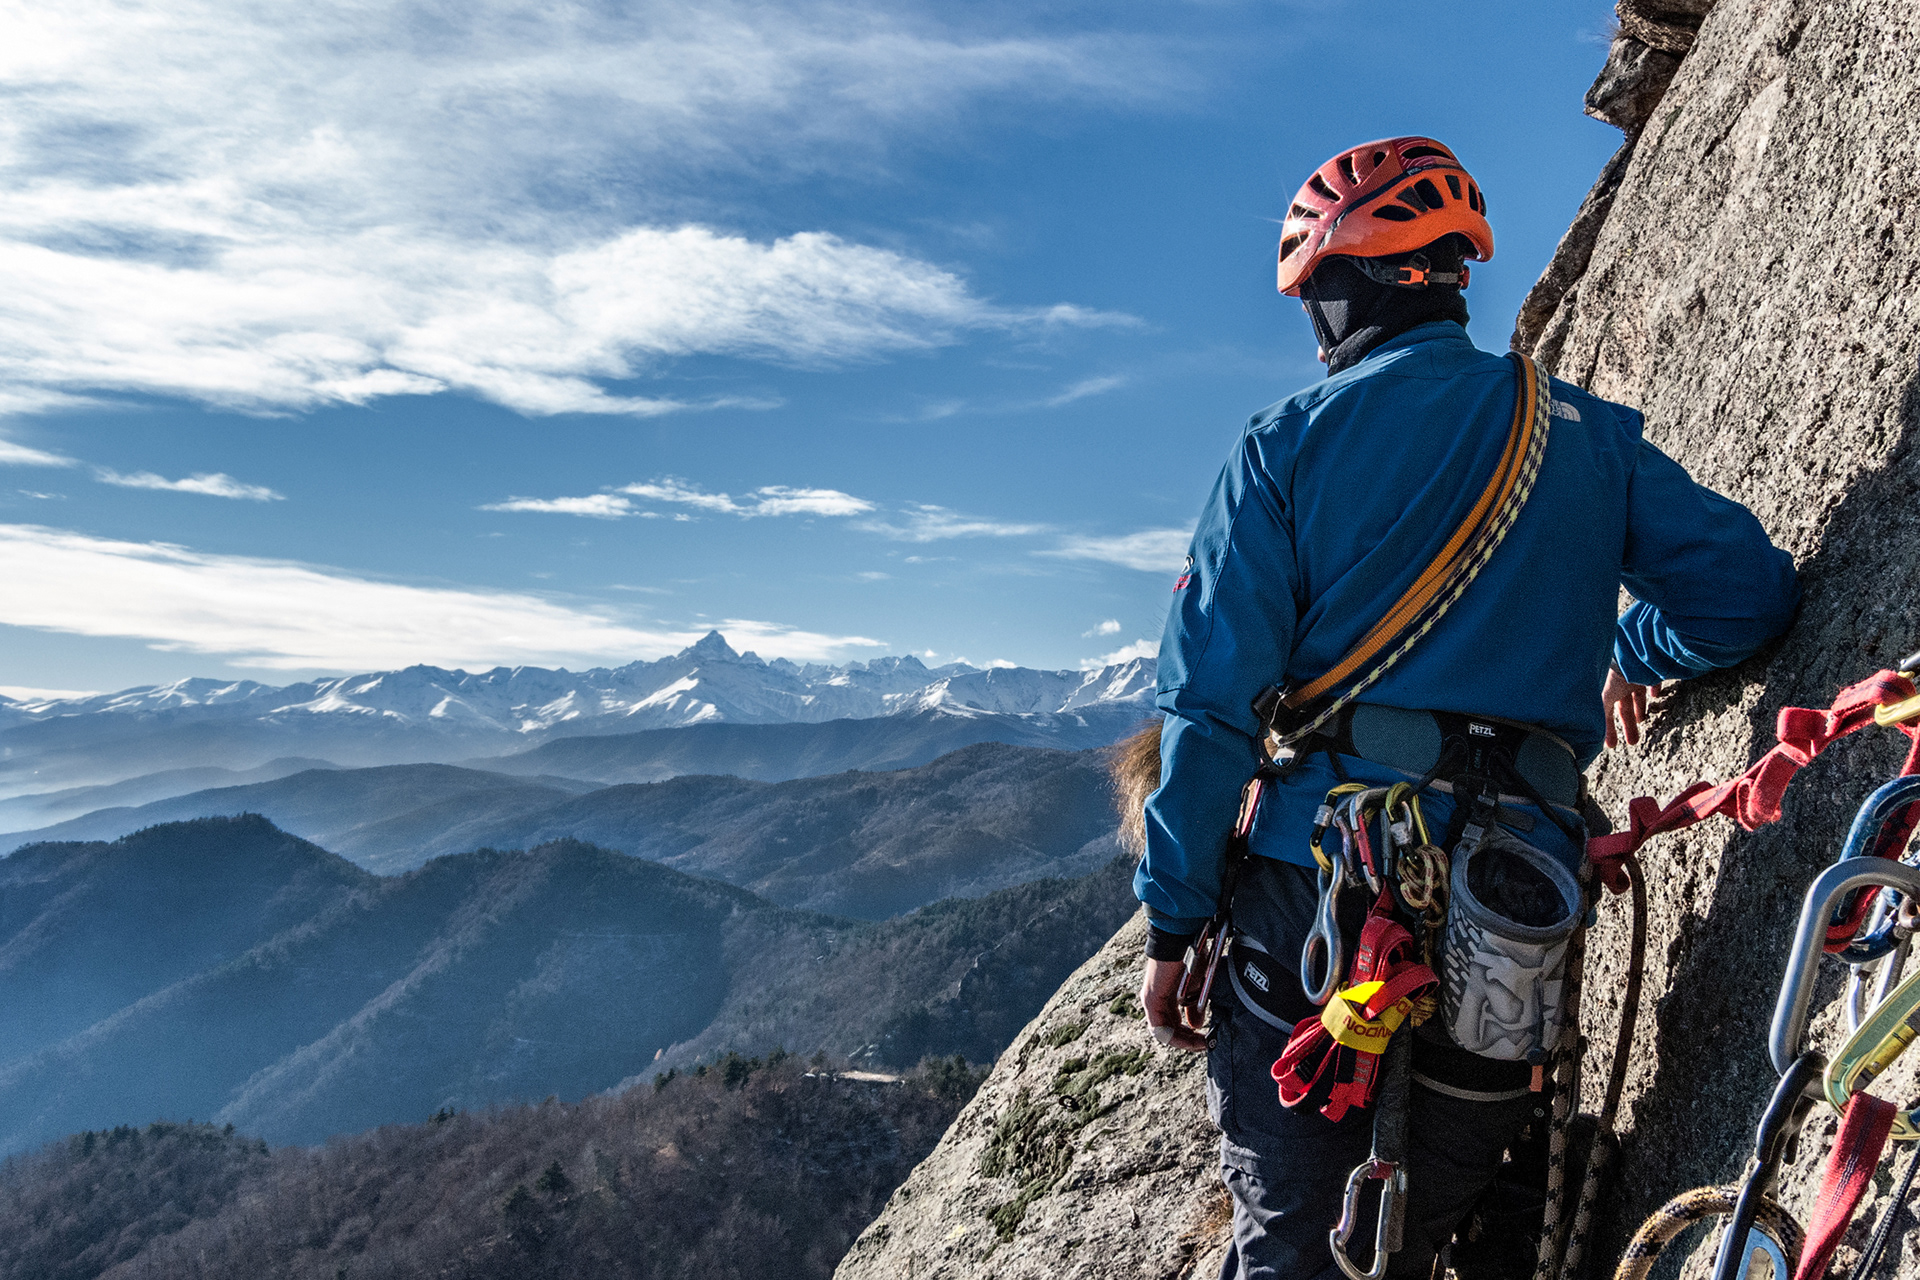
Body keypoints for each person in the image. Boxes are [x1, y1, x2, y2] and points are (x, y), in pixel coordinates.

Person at [1130, 137, 1800, 1279]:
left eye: (1313, 294)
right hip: (1512, 904)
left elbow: (1209, 706)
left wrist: (1174, 920)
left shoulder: (1283, 448)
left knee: (1297, 1243)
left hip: (1317, 895)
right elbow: (1748, 599)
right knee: (1421, 1230)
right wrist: (1619, 647)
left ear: (1348, 283)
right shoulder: (1584, 435)